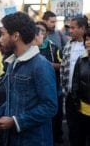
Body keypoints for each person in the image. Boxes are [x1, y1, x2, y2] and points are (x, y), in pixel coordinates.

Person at [0, 12, 58, 145]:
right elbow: (13, 100)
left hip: (33, 140)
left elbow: (50, 106)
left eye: (4, 33)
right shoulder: (12, 63)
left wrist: (15, 121)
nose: (0, 39)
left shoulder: (41, 65)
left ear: (15, 36)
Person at [60, 16, 88, 146]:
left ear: (82, 28)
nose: (70, 31)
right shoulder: (68, 46)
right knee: (73, 131)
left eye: (73, 27)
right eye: (69, 27)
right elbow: (63, 69)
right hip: (70, 96)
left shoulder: (87, 46)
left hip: (86, 99)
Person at [34, 21, 63, 144]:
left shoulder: (53, 47)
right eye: (37, 30)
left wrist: (47, 65)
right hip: (36, 91)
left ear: (46, 33)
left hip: (53, 88)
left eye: (42, 31)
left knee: (55, 117)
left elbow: (62, 65)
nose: (40, 33)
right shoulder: (29, 48)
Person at [71, 28, 90, 146]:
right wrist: (76, 101)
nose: (88, 42)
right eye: (87, 39)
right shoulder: (80, 60)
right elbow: (75, 82)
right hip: (83, 108)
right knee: (82, 138)